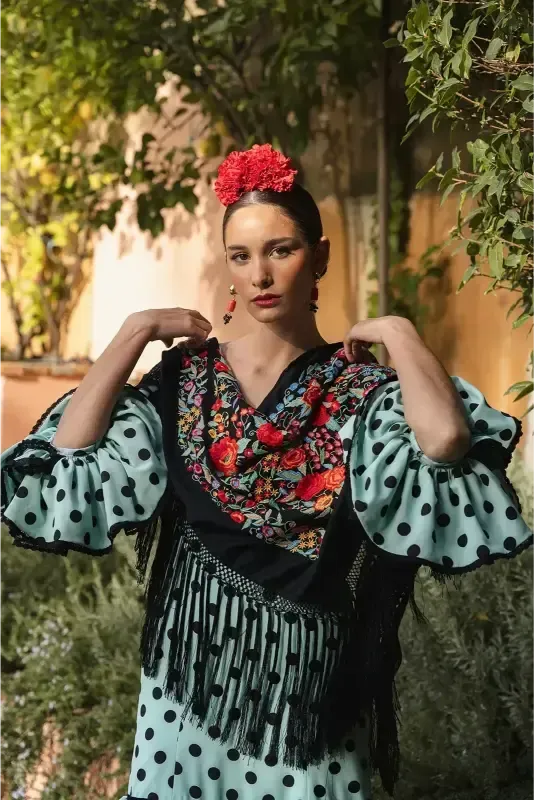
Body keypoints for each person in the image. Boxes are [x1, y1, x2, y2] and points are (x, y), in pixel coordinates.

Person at [0, 143, 531, 800]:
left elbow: (447, 440)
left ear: (320, 256)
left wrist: (398, 331)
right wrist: (136, 330)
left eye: (281, 250)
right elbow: (71, 450)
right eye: (241, 256)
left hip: (310, 698)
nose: (260, 275)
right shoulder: (186, 379)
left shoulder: (362, 390)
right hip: (186, 690)